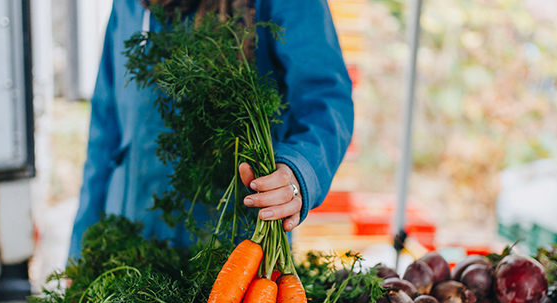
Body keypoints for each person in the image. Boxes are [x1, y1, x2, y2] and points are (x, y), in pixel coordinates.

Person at [68, 0, 354, 259]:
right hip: (128, 243)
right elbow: (104, 131)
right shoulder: (129, 5)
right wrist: (81, 247)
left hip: (231, 247)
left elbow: (325, 100)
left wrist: (297, 171)